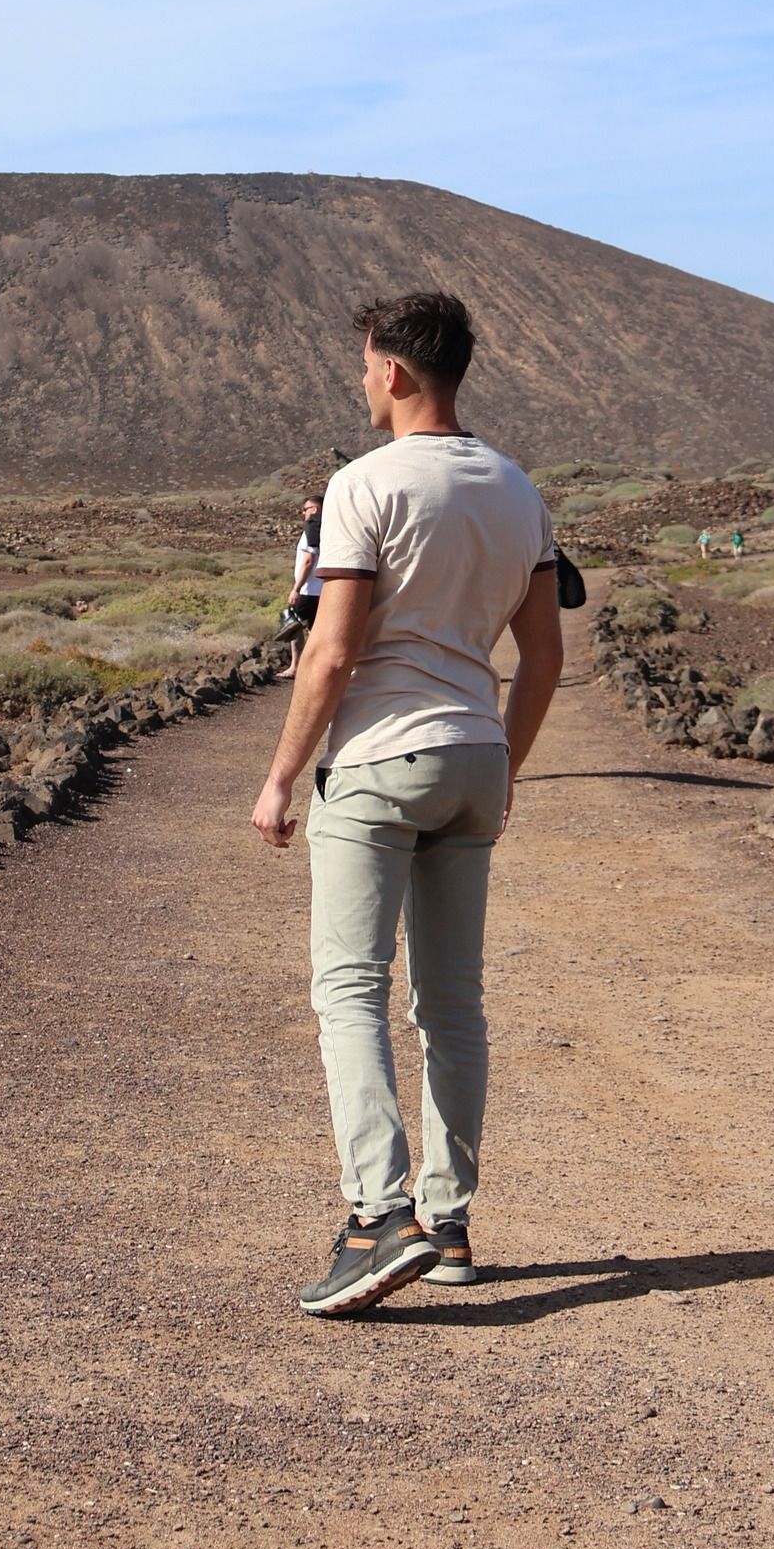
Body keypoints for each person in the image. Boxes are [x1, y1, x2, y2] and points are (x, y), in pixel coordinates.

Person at [249, 290, 563, 1317]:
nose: (362, 383)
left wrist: (280, 776)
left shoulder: (364, 485)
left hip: (379, 763)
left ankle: (376, 1218)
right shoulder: (517, 489)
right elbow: (543, 656)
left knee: (349, 989)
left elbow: (332, 651)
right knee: (451, 1001)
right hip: (474, 758)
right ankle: (449, 1222)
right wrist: (506, 765)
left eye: (364, 367)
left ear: (392, 371)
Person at [279, 497, 325, 679]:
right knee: (316, 629)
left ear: (314, 509)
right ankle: (317, 668)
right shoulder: (329, 530)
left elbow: (308, 561)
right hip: (323, 589)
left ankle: (296, 667)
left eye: (305, 509)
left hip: (309, 589)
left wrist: (296, 588)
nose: (303, 513)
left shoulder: (311, 531)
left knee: (293, 625)